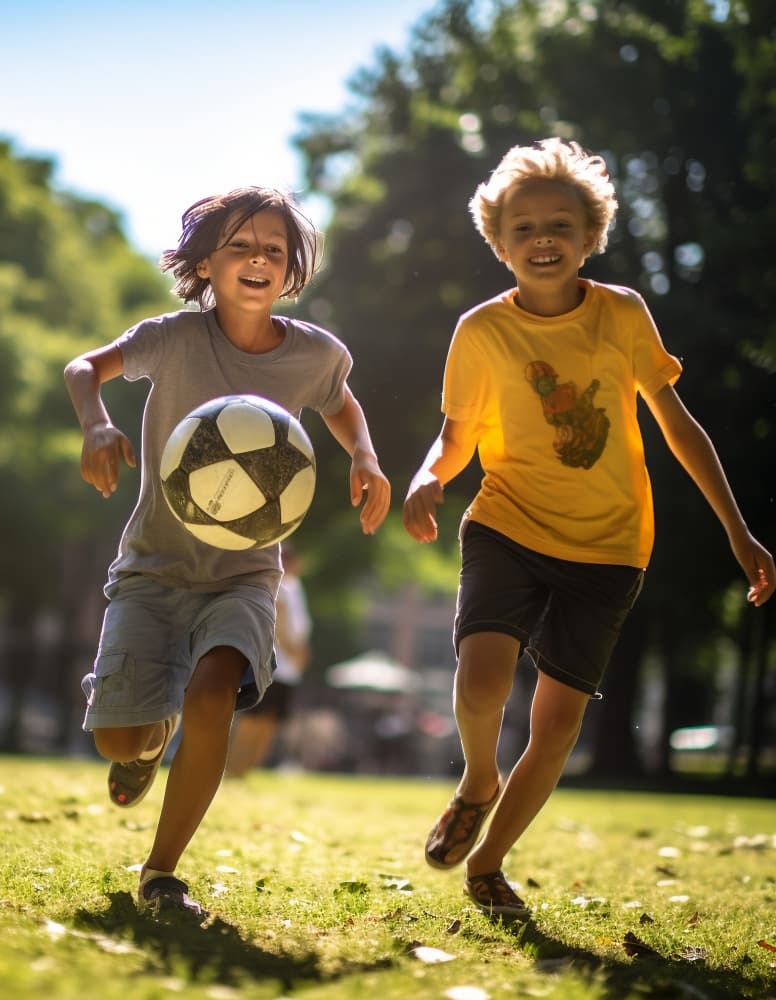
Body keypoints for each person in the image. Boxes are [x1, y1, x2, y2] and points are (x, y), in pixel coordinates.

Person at [402, 138, 774, 919]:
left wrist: (738, 531)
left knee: (559, 723)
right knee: (481, 681)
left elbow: (678, 425)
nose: (543, 238)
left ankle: (489, 863)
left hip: (609, 546)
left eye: (560, 225)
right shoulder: (480, 331)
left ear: (589, 235)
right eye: (525, 226)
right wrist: (427, 478)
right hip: (507, 520)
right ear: (498, 241)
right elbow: (456, 433)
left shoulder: (624, 314)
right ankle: (476, 779)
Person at [64, 186, 390, 918]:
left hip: (245, 575)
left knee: (215, 693)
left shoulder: (315, 354)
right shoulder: (173, 338)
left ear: (292, 270)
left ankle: (162, 874)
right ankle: (150, 740)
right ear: (206, 262)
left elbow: (340, 401)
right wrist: (94, 425)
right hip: (153, 569)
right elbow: (83, 368)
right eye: (240, 245)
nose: (257, 259)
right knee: (118, 740)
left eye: (274, 249)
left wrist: (364, 457)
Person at [225, 542, 312, 778]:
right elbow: (279, 623)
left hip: (290, 669)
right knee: (252, 719)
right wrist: (294, 652)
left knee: (269, 722)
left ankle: (244, 771)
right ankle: (232, 769)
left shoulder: (296, 587)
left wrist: (300, 654)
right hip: (274, 664)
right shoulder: (281, 586)